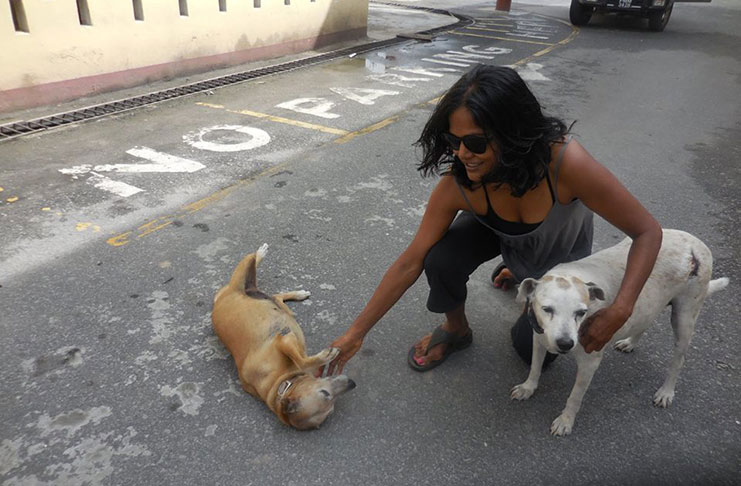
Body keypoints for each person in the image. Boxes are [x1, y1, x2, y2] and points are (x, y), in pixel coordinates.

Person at [323, 65, 662, 375]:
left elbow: (647, 232)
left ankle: (523, 272)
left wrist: (621, 309)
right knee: (439, 257)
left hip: (560, 261)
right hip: (506, 238)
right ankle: (457, 328)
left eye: (475, 142)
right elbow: (409, 262)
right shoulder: (460, 182)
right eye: (453, 141)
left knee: (530, 350)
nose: (461, 153)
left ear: (512, 133)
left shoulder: (566, 165)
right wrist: (356, 333)